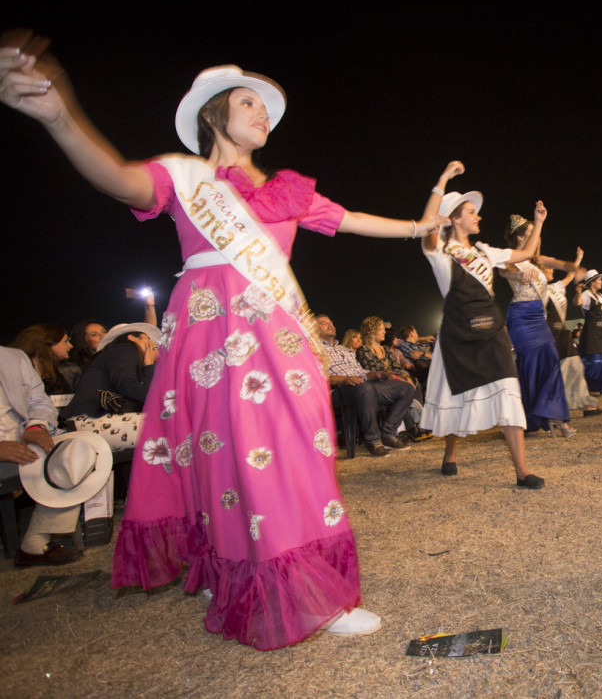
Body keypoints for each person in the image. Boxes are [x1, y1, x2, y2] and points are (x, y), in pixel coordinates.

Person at [0, 52, 448, 646]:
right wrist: (60, 118)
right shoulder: (184, 177)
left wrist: (420, 227)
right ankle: (235, 571)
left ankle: (308, 587)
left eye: (265, 107)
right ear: (214, 115)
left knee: (290, 449)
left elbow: (351, 219)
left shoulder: (285, 189)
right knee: (218, 454)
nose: (262, 114)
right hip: (208, 332)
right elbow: (117, 177)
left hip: (275, 335)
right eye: (248, 103)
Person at [417, 161, 545, 489]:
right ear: (454, 217)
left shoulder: (486, 252)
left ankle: (521, 471)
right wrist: (442, 179)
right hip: (458, 333)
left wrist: (540, 223)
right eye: (471, 212)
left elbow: (527, 253)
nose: (479, 217)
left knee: (508, 389)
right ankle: (450, 453)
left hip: (491, 330)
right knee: (455, 393)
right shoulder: (441, 250)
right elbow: (425, 225)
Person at [0, 346, 93, 567]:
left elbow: (40, 402)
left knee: (83, 450)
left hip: (27, 444)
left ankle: (35, 541)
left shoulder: (14, 357)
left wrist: (36, 427)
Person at [501, 214, 574, 436]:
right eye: (532, 233)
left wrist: (576, 267)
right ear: (521, 236)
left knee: (551, 362)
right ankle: (532, 418)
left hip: (538, 318)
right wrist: (517, 274)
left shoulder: (539, 260)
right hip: (521, 318)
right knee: (530, 367)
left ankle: (553, 414)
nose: (537, 237)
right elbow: (503, 270)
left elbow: (560, 263)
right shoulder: (511, 258)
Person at [316, 315, 415, 457]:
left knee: (406, 388)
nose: (330, 325)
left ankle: (387, 433)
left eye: (331, 322)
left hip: (362, 384)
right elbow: (318, 377)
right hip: (340, 389)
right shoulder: (315, 351)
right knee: (365, 388)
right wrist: (344, 379)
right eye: (323, 323)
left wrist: (375, 374)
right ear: (313, 329)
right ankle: (373, 440)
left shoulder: (345, 350)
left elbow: (361, 372)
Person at [63, 322, 159, 451]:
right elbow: (127, 386)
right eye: (148, 338)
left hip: (102, 420)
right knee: (168, 428)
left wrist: (148, 364)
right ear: (132, 338)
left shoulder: (130, 359)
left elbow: (146, 394)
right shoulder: (124, 349)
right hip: (89, 421)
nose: (152, 344)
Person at [542, 248, 602, 416]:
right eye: (549, 267)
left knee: (574, 367)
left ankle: (585, 405)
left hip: (561, 333)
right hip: (549, 334)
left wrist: (578, 259)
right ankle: (556, 406)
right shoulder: (537, 290)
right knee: (563, 370)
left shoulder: (555, 287)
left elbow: (569, 275)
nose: (553, 269)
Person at [11, 323, 75, 398]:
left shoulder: (53, 370)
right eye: (65, 341)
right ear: (48, 342)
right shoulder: (17, 369)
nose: (70, 346)